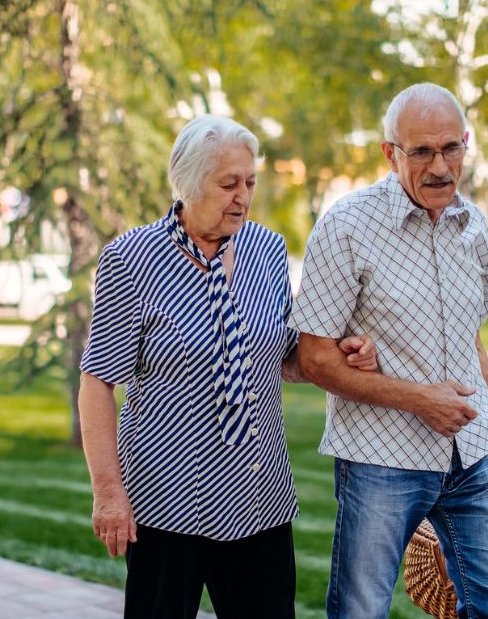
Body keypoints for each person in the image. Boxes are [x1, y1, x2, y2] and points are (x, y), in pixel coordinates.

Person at [78, 114, 378, 619]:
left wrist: (342, 351)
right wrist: (108, 491)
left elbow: (280, 354)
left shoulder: (266, 249)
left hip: (257, 495)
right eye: (228, 184)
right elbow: (97, 381)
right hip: (164, 496)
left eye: (251, 182)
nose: (243, 196)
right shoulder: (130, 259)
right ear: (189, 184)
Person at [291, 83, 488, 619]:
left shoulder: (472, 225)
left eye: (452, 148)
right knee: (361, 610)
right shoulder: (347, 226)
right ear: (390, 153)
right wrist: (419, 399)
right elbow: (313, 359)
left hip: (475, 456)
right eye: (422, 151)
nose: (441, 166)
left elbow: (472, 340)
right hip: (382, 461)